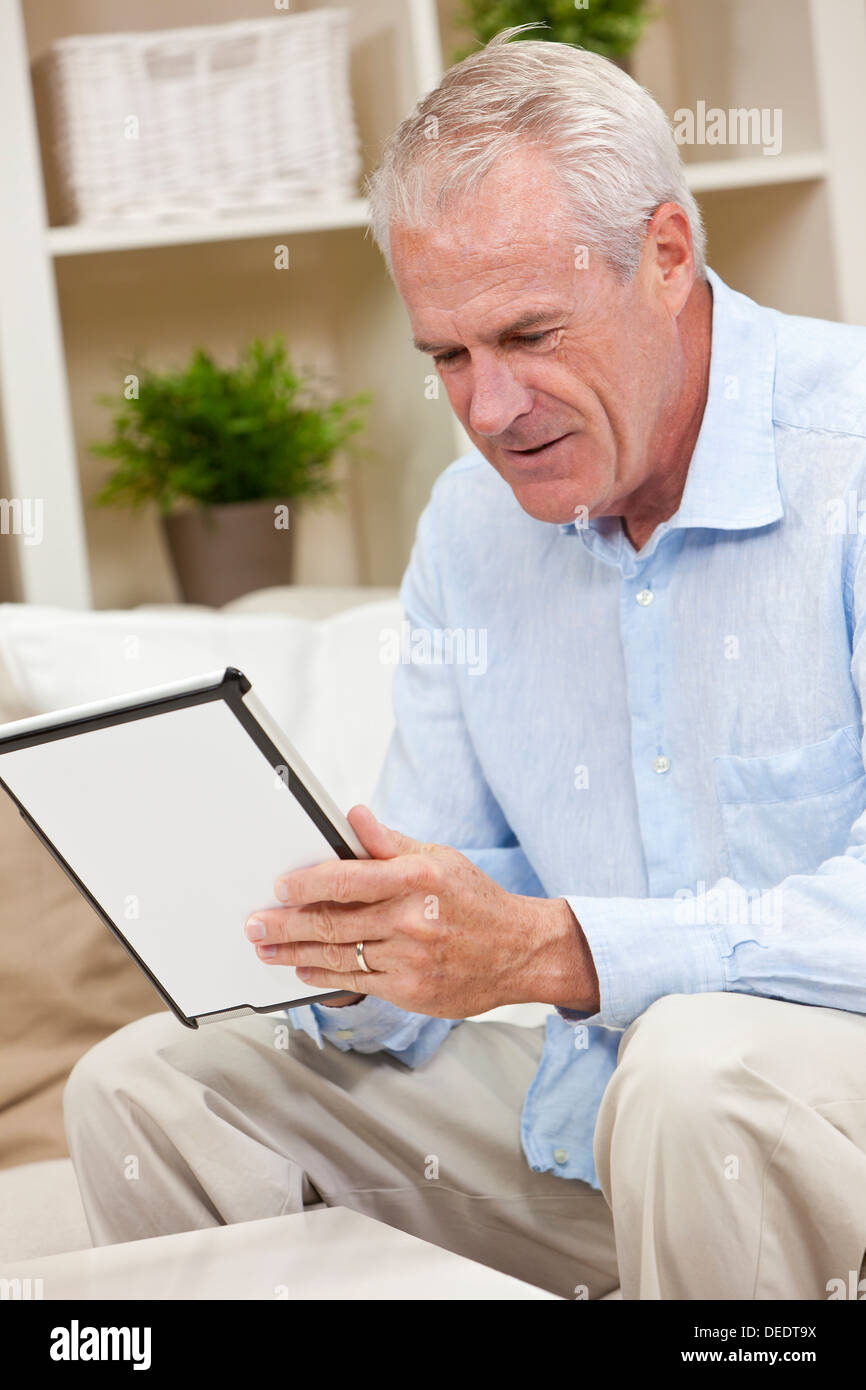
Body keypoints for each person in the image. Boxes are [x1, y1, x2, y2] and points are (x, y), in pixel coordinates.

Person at [64, 27, 866, 1300]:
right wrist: (351, 946)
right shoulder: (471, 526)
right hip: (588, 1133)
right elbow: (447, 900)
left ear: (666, 256)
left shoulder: (847, 454)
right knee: (152, 1084)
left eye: (530, 334)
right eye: (448, 355)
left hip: (800, 1126)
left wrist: (561, 950)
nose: (490, 410)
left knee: (692, 1068)